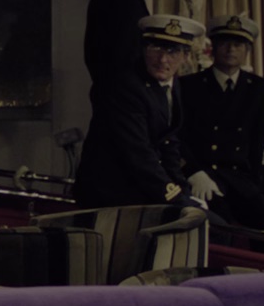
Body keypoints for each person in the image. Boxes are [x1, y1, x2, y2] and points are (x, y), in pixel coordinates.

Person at [74, 13, 199, 208]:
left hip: (144, 186)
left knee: (210, 220)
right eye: (155, 48)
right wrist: (175, 198)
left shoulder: (172, 83)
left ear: (185, 56)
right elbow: (138, 153)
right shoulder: (126, 86)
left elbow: (169, 143)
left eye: (172, 51)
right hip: (112, 192)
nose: (163, 59)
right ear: (143, 49)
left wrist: (182, 190)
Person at [177, 14, 264, 230]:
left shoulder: (259, 88)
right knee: (220, 226)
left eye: (238, 44)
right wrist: (192, 172)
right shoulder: (190, 85)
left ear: (247, 50)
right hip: (204, 176)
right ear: (213, 47)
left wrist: (256, 190)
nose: (231, 49)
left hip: (239, 178)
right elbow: (178, 136)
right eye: (224, 43)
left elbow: (257, 143)